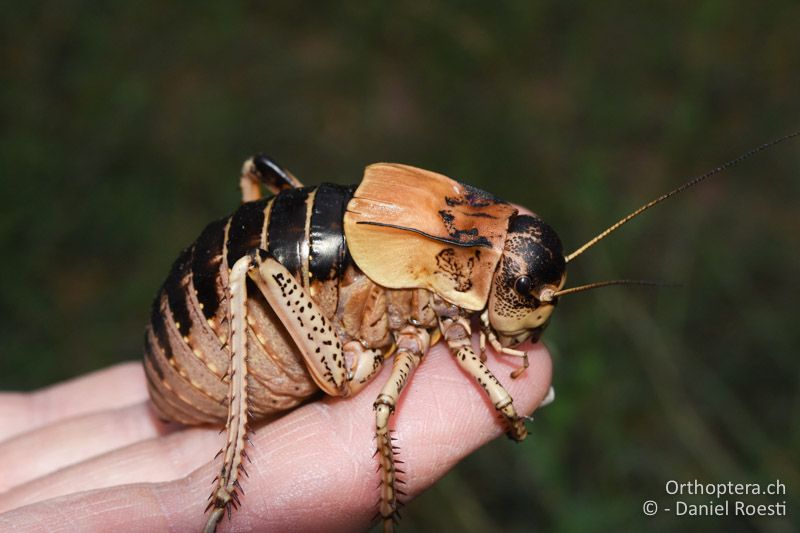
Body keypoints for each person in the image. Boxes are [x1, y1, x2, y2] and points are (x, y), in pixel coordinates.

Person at [0, 339, 551, 531]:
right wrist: (505, 407)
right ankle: (225, 482)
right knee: (249, 270)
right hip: (195, 355)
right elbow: (383, 413)